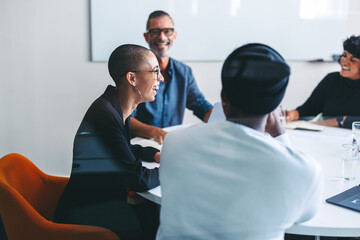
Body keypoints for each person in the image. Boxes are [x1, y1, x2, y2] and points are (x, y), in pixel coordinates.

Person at [156, 43, 323, 240]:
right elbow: (302, 216)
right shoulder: (304, 170)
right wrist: (280, 136)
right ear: (276, 106)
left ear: (223, 97)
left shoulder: (175, 143)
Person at [54, 44, 163, 240]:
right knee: (156, 220)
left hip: (99, 202)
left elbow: (122, 149)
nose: (160, 78)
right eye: (155, 72)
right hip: (87, 216)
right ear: (132, 78)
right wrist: (171, 169)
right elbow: (139, 180)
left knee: (154, 216)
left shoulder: (115, 106)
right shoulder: (106, 115)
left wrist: (154, 154)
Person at [130, 10, 213, 144]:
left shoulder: (184, 72)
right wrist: (156, 132)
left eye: (167, 31)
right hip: (140, 147)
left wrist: (223, 120)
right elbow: (125, 118)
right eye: (155, 32)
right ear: (146, 37)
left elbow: (201, 106)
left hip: (171, 146)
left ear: (174, 35)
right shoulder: (135, 73)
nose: (162, 37)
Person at [286, 35, 360, 129]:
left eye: (353, 60)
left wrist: (339, 121)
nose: (344, 62)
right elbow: (308, 109)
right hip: (327, 137)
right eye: (344, 55)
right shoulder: (331, 79)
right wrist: (293, 114)